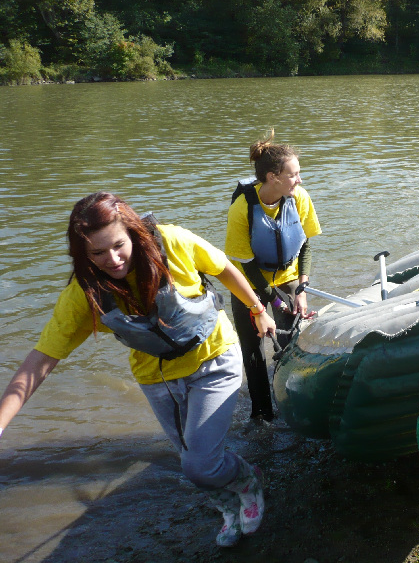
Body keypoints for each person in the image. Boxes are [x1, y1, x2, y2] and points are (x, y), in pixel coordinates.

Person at [0, 192, 277, 548]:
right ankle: (227, 507)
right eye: (97, 253)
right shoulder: (86, 293)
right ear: (83, 253)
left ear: (132, 233)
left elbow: (222, 267)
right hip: (156, 378)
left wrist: (257, 310)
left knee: (199, 465)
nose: (112, 260)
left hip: (214, 359)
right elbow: (41, 359)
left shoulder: (173, 241)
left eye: (118, 246)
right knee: (192, 463)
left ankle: (247, 482)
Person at [225, 131, 321, 424]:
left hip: (289, 277)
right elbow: (246, 264)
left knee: (292, 343)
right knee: (254, 353)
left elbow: (305, 244)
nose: (300, 180)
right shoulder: (242, 207)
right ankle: (262, 415)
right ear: (272, 177)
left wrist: (301, 289)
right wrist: (273, 301)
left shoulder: (299, 197)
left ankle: (291, 401)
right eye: (294, 175)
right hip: (249, 285)